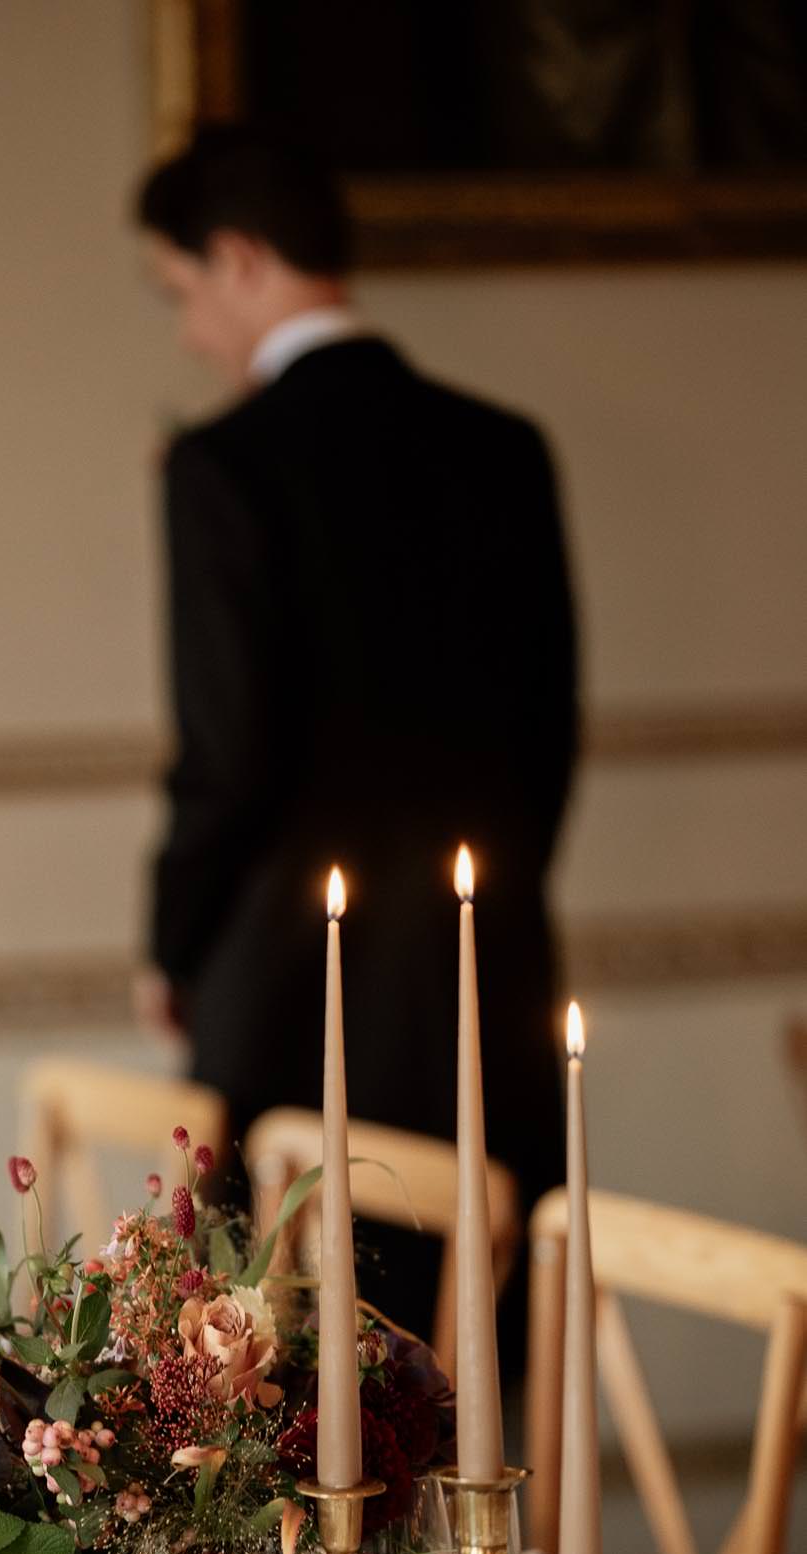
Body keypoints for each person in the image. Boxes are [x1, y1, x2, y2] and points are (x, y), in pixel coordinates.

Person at [135, 125, 579, 1347]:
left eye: (181, 293)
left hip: (286, 995)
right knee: (475, 1388)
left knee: (279, 1395)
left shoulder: (223, 464)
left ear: (237, 258)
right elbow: (550, 737)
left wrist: (174, 943)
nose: (188, 333)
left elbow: (228, 753)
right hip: (484, 984)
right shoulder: (505, 448)